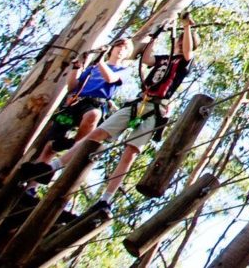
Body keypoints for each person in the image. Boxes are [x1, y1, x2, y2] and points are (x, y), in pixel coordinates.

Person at [47, 14, 196, 214]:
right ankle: (52, 167)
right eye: (178, 40)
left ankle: (106, 199)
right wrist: (154, 37)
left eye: (182, 41)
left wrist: (186, 27)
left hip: (154, 110)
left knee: (129, 154)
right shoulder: (163, 59)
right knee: (97, 134)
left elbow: (187, 51)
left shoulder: (184, 63)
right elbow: (147, 59)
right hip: (137, 103)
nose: (179, 42)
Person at [18, 39, 131, 184]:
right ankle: (32, 184)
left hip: (95, 103)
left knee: (93, 115)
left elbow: (110, 79)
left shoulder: (122, 70)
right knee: (50, 145)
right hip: (75, 102)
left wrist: (100, 61)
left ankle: (76, 144)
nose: (121, 50)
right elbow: (73, 86)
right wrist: (76, 68)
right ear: (113, 48)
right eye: (119, 46)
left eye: (125, 49)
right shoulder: (92, 68)